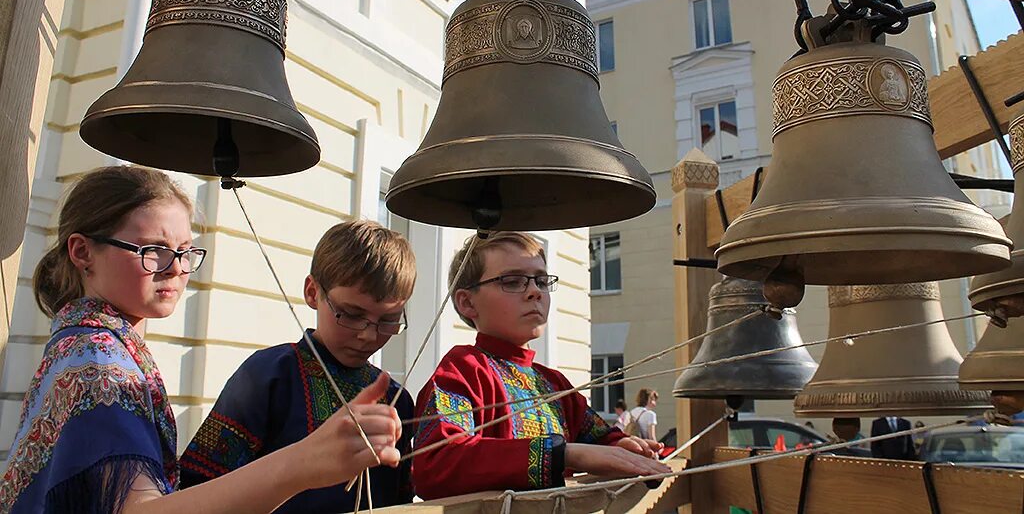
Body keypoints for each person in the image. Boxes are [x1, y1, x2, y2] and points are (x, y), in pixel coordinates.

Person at [0, 166, 401, 514]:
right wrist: (302, 463)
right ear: (83, 251)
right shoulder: (97, 360)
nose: (176, 269)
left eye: (186, 251)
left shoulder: (89, 344)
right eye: (154, 250)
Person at [179, 219, 416, 512]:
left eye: (389, 321)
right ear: (313, 292)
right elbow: (198, 486)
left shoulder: (397, 400)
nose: (368, 334)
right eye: (351, 314)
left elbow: (401, 501)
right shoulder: (268, 375)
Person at [412, 232, 670, 499]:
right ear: (467, 302)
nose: (535, 291)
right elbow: (435, 463)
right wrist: (565, 453)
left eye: (542, 281)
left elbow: (599, 437)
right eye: (513, 281)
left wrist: (625, 446)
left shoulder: (554, 384)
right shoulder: (464, 369)